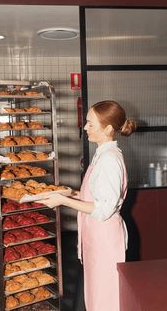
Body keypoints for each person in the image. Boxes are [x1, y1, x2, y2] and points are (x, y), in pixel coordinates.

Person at [38, 100, 136, 311]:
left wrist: (64, 201)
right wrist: (68, 192)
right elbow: (95, 195)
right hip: (95, 237)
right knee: (95, 296)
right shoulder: (101, 154)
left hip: (105, 239)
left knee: (105, 300)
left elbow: (103, 209)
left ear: (108, 128)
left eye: (91, 123)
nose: (85, 127)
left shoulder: (110, 159)